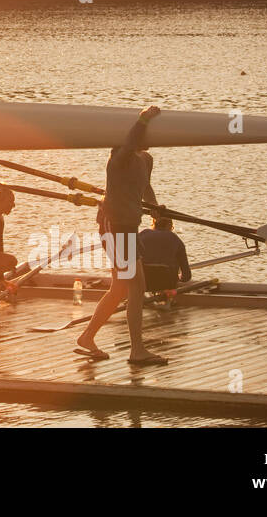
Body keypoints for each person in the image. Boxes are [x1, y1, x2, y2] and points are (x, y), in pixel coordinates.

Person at [75, 105, 168, 365]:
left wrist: (156, 209)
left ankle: (87, 337)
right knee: (136, 285)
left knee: (121, 287)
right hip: (114, 224)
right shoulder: (119, 156)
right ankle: (137, 351)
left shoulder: (146, 159)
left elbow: (144, 187)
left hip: (130, 224)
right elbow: (129, 144)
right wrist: (143, 119)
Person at [138, 215, 191, 293]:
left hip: (143, 281)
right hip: (166, 282)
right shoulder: (174, 238)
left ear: (154, 224)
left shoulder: (142, 234)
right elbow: (186, 275)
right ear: (169, 226)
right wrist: (181, 279)